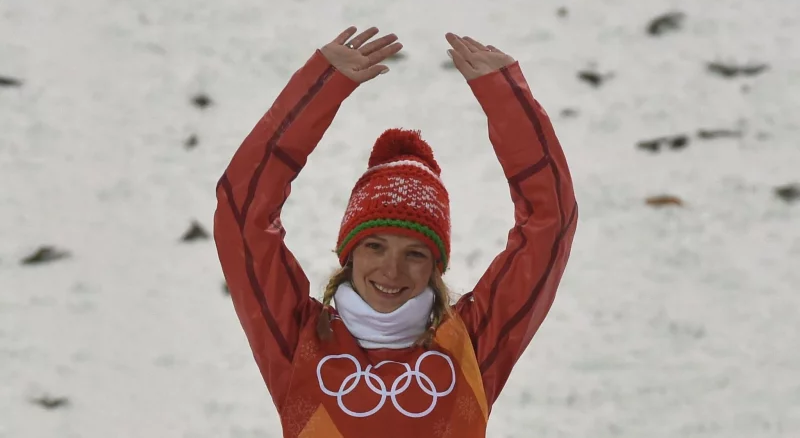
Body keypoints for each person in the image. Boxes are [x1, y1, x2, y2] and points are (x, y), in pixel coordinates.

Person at [214, 25, 578, 438]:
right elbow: (241, 215)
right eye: (375, 246)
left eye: (415, 254)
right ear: (349, 254)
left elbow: (550, 224)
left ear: (435, 269)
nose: (391, 270)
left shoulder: (471, 347)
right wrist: (319, 89)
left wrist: (506, 99)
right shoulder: (299, 343)